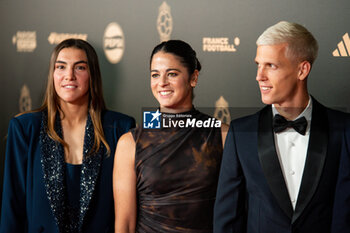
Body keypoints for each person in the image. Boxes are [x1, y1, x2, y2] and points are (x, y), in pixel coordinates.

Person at [214, 21, 350, 233]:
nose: (259, 76)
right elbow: (227, 220)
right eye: (258, 64)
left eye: (271, 66)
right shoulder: (241, 133)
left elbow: (345, 214)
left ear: (302, 70)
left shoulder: (343, 130)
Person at [0, 39, 135, 233]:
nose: (69, 76)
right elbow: (12, 210)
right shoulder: (25, 129)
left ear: (92, 75)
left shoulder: (120, 128)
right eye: (61, 67)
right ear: (52, 74)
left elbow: (127, 214)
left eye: (79, 67)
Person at [113, 40, 229, 233]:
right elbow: (124, 224)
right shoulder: (130, 142)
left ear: (193, 77)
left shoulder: (222, 134)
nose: (162, 83)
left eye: (172, 74)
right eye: (155, 75)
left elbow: (233, 212)